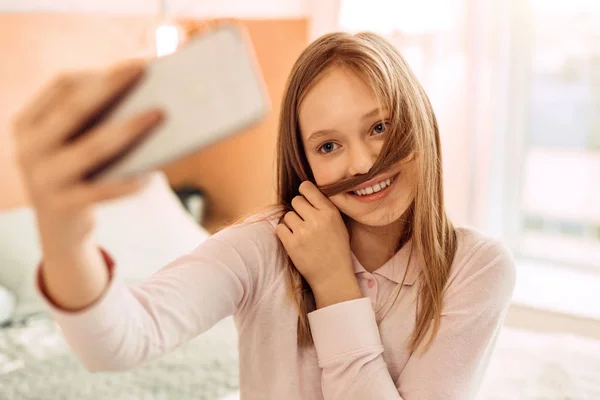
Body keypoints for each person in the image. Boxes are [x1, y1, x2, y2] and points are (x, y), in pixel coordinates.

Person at [12, 31, 516, 399]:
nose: (362, 164)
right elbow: (118, 343)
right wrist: (63, 234)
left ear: (418, 121)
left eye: (380, 127)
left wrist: (334, 283)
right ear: (304, 163)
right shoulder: (261, 247)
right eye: (328, 145)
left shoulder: (477, 267)